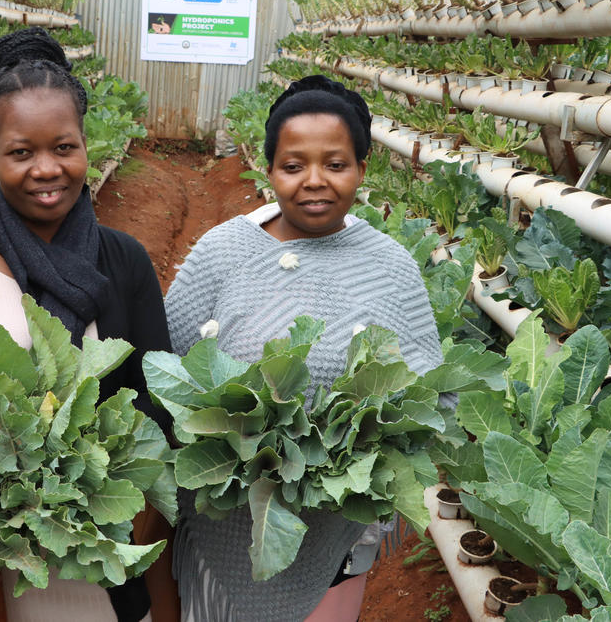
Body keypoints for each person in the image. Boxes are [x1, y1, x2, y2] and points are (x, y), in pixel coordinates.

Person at [0, 27, 174, 622]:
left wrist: (113, 503)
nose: (47, 169)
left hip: (98, 556)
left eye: (64, 147)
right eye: (22, 152)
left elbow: (156, 410)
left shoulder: (126, 264)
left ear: (86, 146)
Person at [164, 75, 444, 622]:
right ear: (268, 170)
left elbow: (426, 399)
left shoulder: (389, 267)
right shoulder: (223, 251)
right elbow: (167, 369)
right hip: (227, 517)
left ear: (363, 168)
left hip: (339, 526)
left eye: (335, 165)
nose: (314, 182)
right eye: (293, 166)